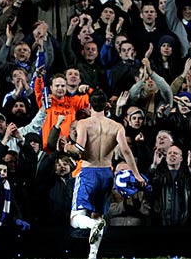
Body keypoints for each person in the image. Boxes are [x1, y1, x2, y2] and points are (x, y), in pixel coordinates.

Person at [65, 90, 145, 259]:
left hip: (88, 172)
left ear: (88, 106)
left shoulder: (84, 124)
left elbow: (79, 149)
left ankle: (93, 225)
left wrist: (67, 147)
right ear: (106, 105)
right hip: (107, 174)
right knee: (98, 214)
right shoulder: (117, 126)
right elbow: (126, 151)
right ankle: (92, 255)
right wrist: (137, 175)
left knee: (76, 218)